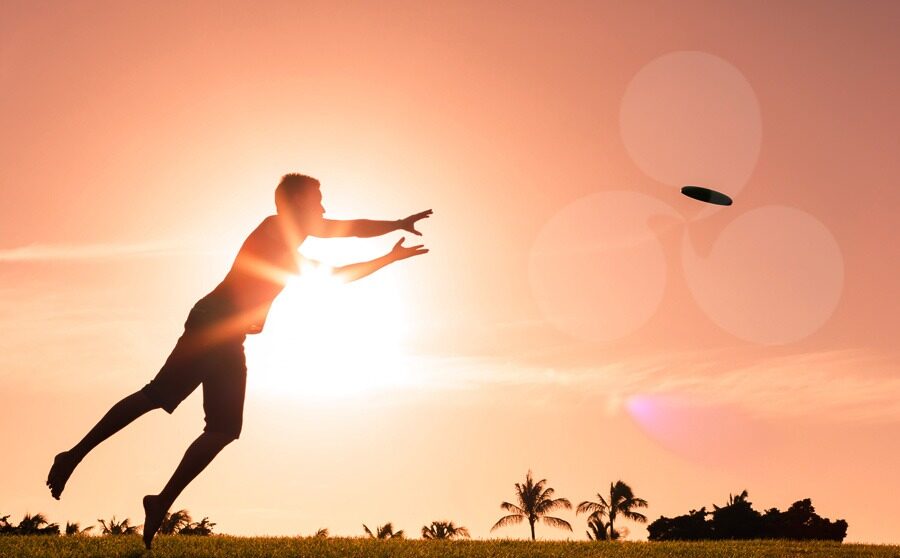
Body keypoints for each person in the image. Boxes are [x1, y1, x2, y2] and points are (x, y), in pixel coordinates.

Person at [46, 173, 431, 548]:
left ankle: (160, 501)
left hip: (230, 336)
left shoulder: (291, 247)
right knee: (157, 396)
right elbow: (343, 233)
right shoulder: (274, 229)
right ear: (297, 203)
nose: (324, 207)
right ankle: (73, 456)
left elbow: (340, 252)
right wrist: (391, 236)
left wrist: (390, 246)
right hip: (212, 323)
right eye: (318, 200)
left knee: (224, 428)